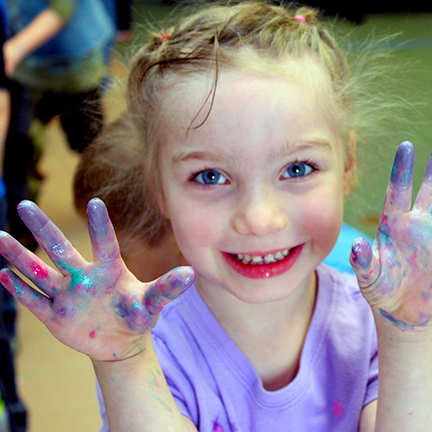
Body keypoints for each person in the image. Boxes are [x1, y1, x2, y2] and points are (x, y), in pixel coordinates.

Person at [0, 2, 431, 431]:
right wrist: (125, 363)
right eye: (210, 176)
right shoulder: (147, 346)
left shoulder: (380, 324)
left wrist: (410, 335)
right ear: (158, 188)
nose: (259, 219)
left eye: (298, 169)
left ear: (348, 167)